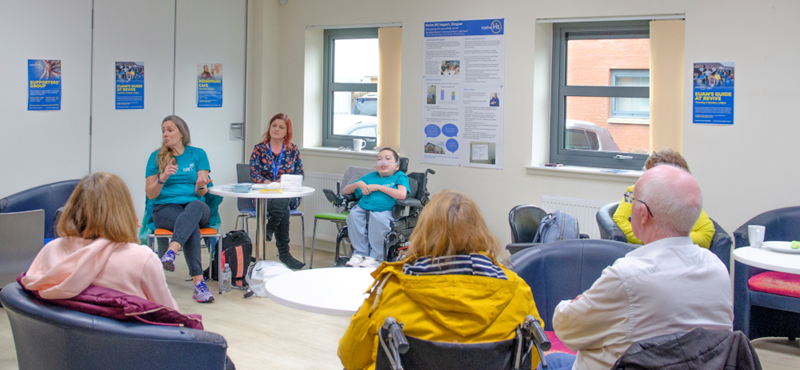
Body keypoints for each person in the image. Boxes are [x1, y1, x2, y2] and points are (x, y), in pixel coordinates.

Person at [547, 165, 733, 370]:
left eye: (631, 200)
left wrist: (579, 301)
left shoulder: (628, 277)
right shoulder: (718, 269)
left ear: (643, 214)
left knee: (547, 361)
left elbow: (566, 328)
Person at [338, 190, 543, 370]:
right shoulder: (516, 288)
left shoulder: (391, 287)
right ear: (480, 231)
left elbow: (350, 356)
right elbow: (532, 358)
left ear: (422, 231)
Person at [22, 172, 178, 310]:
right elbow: (172, 319)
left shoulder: (52, 249)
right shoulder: (142, 259)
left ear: (73, 208)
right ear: (124, 211)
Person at [145, 115, 215, 303]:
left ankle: (171, 251)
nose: (165, 135)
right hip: (165, 209)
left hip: (196, 206)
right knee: (189, 224)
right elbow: (151, 194)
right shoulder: (156, 157)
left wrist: (201, 185)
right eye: (163, 131)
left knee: (194, 207)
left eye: (170, 130)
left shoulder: (198, 154)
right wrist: (162, 178)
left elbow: (201, 193)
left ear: (181, 133)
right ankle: (199, 285)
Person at [612, 148, 715, 248]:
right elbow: (619, 219)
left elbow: (705, 234)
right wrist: (650, 238)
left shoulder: (684, 196)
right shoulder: (636, 191)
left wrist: (667, 241)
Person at [249, 113, 305, 269]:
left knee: (284, 200)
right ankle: (284, 254)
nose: (276, 129)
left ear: (287, 131)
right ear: (269, 128)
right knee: (283, 207)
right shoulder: (259, 149)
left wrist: (284, 182)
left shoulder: (293, 150)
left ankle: (269, 228)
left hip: (288, 193)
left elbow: (300, 174)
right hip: (264, 195)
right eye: (274, 125)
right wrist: (271, 184)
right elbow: (253, 174)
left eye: (281, 127)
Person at [342, 148, 409, 268]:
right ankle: (360, 254)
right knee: (353, 215)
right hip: (363, 207)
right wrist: (358, 184)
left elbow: (402, 194)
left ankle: (376, 257)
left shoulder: (400, 176)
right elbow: (345, 190)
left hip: (385, 209)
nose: (383, 162)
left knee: (378, 218)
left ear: (397, 166)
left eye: (388, 159)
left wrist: (379, 187)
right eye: (379, 159)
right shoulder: (370, 177)